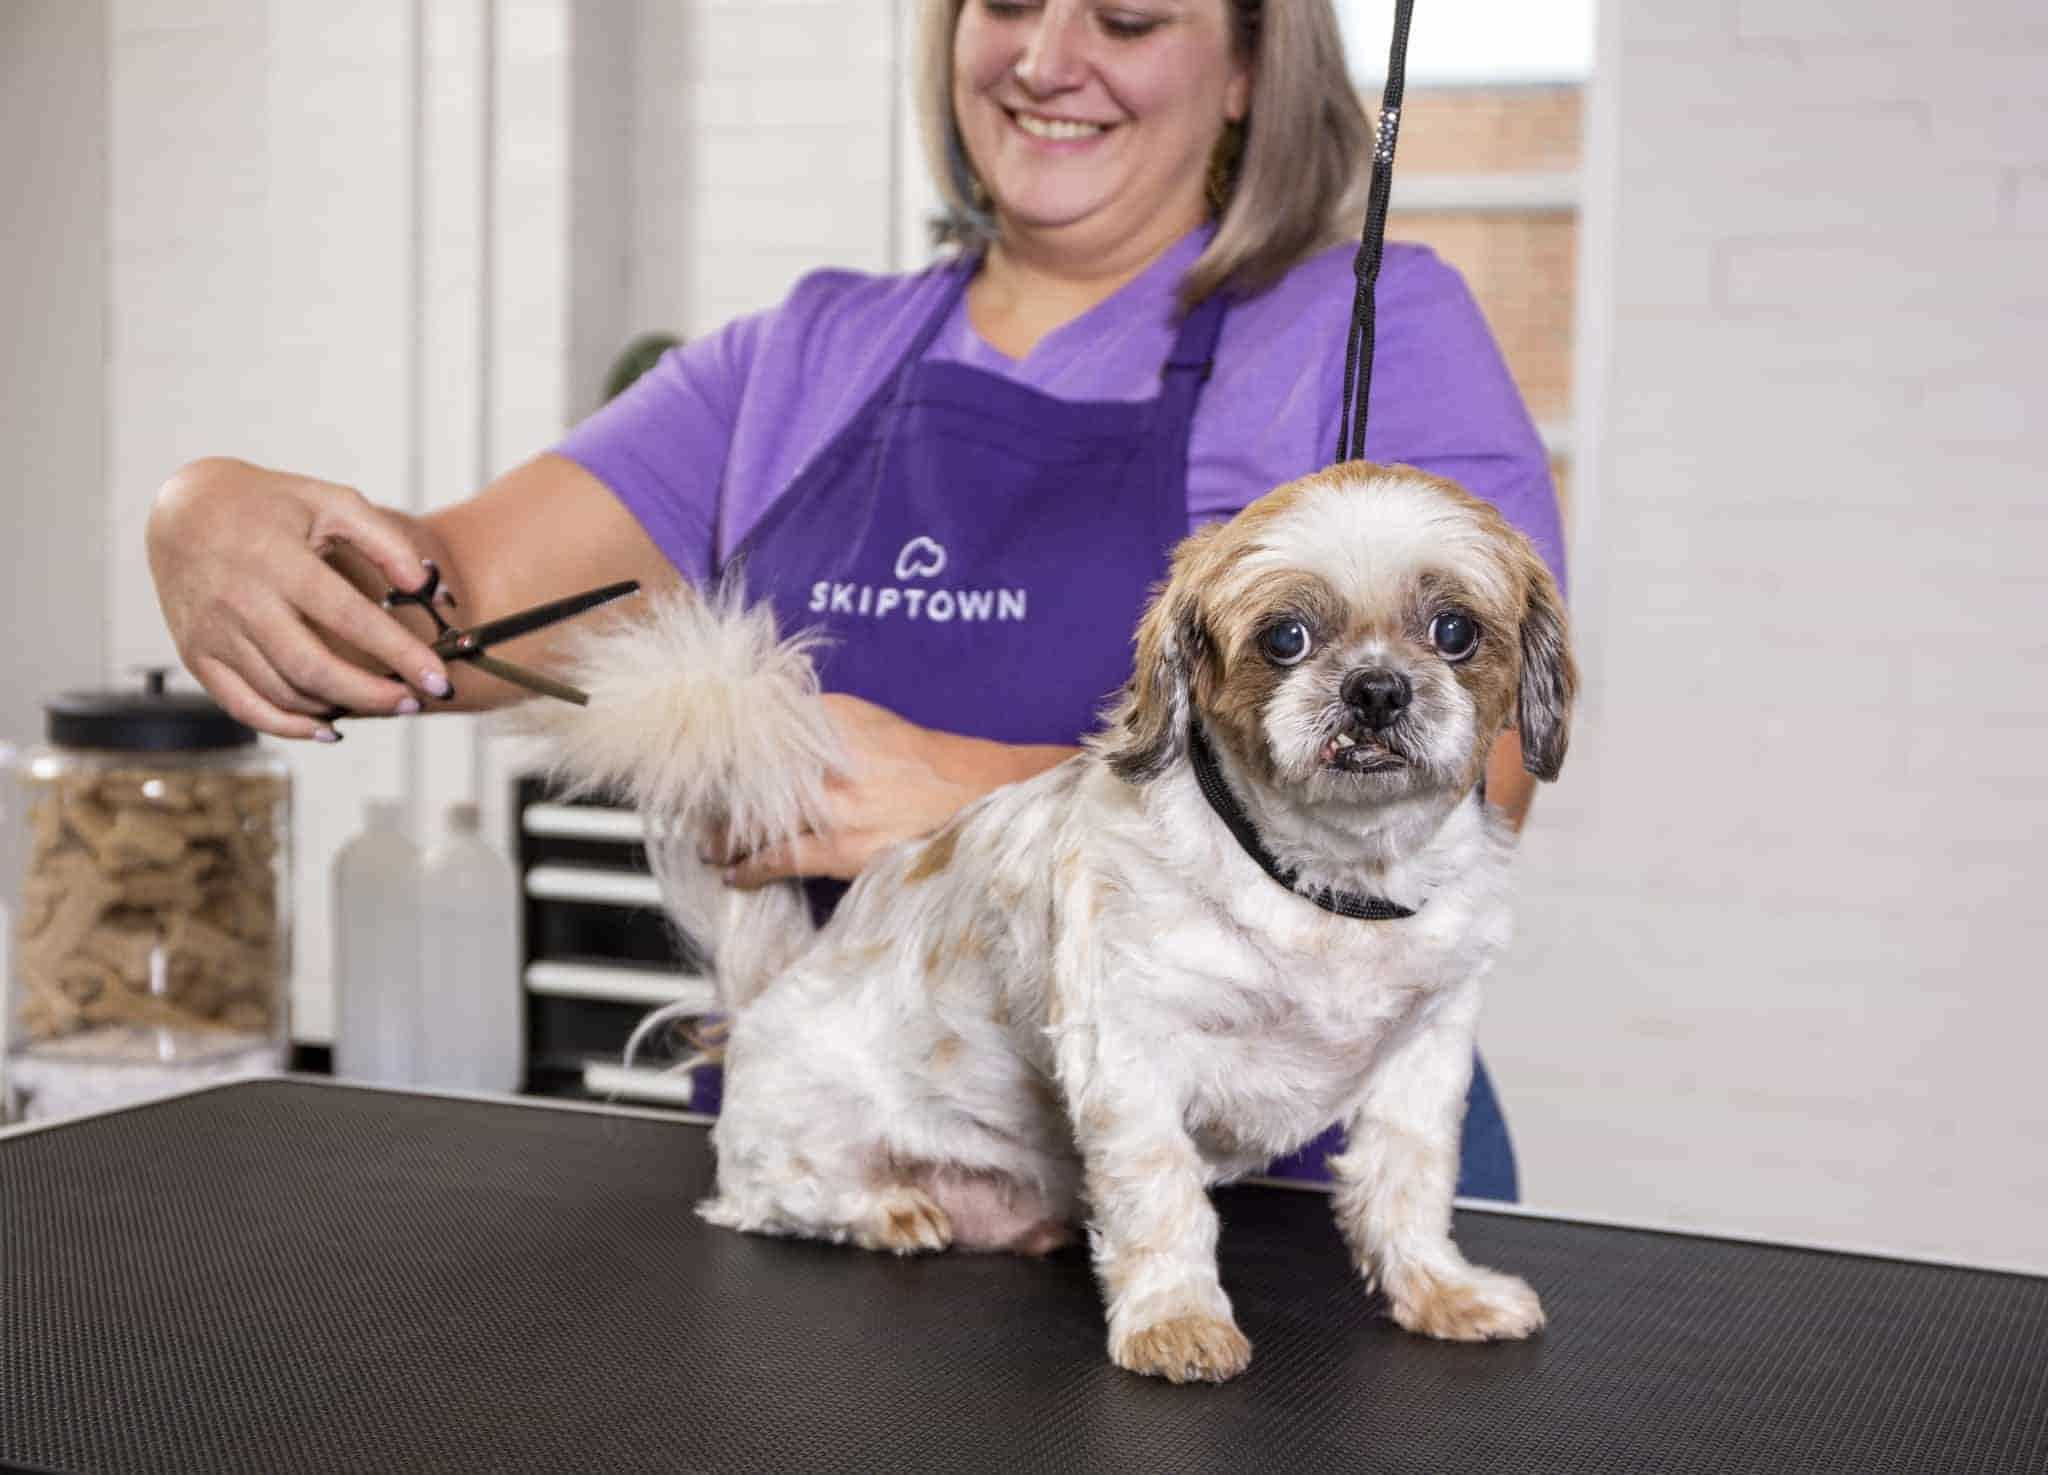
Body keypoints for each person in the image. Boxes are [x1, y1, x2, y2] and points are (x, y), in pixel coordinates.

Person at [146, 0, 1566, 1199]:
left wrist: (985, 807)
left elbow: (1477, 778)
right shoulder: (804, 359)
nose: (1048, 56)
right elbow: (435, 603)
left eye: (1129, 13)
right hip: (864, 1174)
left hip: (1265, 1213)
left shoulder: (1367, 335)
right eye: (1005, 0)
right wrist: (212, 517)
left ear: (1254, 63)